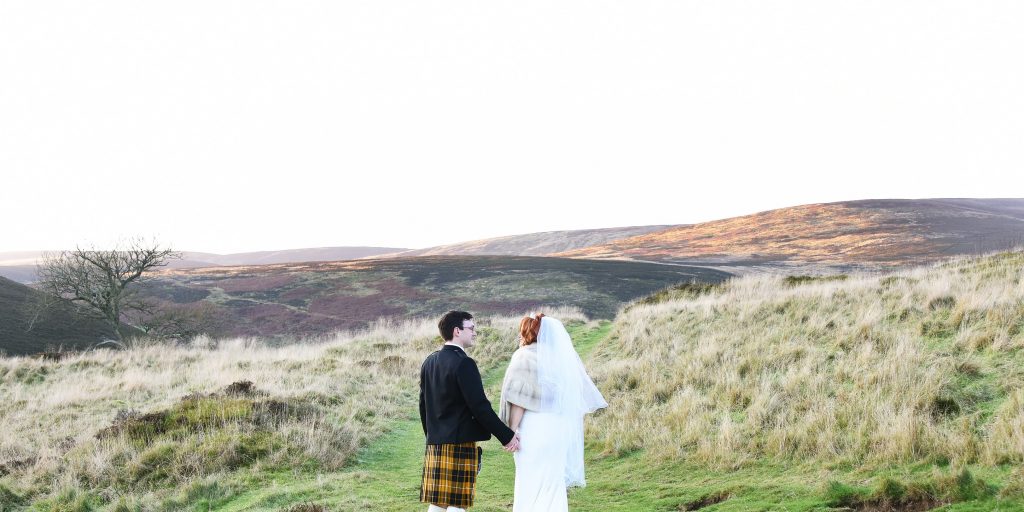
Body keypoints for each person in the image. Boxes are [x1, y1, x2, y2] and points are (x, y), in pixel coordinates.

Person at [499, 313, 608, 512]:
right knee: (552, 482)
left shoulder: (523, 356)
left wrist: (511, 431)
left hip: (534, 428)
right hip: (556, 428)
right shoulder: (559, 359)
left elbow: (519, 399)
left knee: (530, 479)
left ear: (526, 331)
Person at [420, 310, 521, 512]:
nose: (475, 333)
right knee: (458, 502)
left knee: (438, 502)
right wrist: (507, 436)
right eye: (471, 328)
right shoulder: (464, 363)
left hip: (436, 441)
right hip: (460, 441)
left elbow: (423, 405)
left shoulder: (430, 361)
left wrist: (432, 435)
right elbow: (480, 406)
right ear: (457, 331)